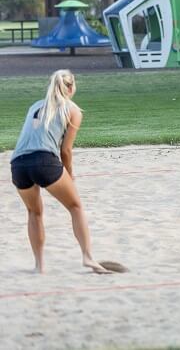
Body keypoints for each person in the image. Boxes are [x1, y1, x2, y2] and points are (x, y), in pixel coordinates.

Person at [10, 69, 109, 274]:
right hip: (44, 161)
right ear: (71, 87)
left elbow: (36, 133)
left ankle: (39, 265)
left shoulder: (36, 107)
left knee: (34, 212)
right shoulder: (72, 110)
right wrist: (69, 175)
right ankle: (88, 257)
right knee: (76, 206)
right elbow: (65, 150)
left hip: (18, 164)